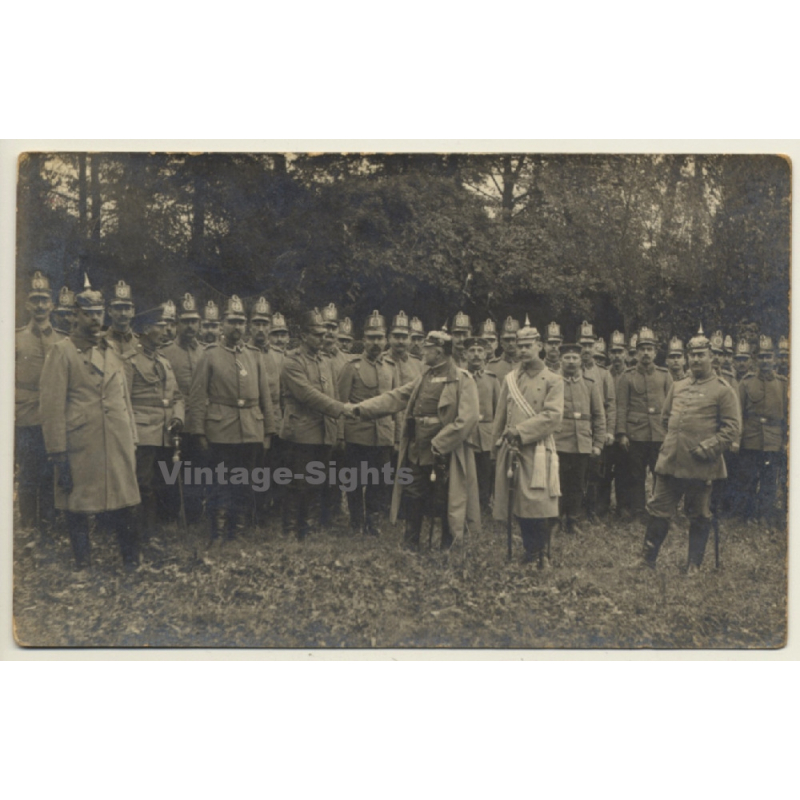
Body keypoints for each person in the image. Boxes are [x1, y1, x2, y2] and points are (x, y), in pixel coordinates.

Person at [39, 277, 141, 570]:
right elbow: (52, 405)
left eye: (99, 312)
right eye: (88, 313)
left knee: (124, 498)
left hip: (116, 439)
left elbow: (124, 398)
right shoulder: (62, 351)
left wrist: (131, 436)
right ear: (74, 316)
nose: (95, 318)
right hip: (82, 441)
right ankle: (83, 562)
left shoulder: (111, 351)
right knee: (78, 504)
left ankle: (131, 561)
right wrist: (57, 450)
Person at [353, 328, 480, 552]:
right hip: (417, 448)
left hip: (446, 452)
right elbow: (396, 397)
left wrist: (440, 444)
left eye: (427, 348)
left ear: (439, 352)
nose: (422, 351)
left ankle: (447, 546)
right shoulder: (424, 377)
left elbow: (467, 420)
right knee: (413, 493)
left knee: (445, 497)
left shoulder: (462, 379)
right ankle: (411, 542)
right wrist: (359, 409)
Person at [641, 327, 740, 574]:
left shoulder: (722, 389)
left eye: (701, 354)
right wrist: (675, 443)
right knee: (658, 510)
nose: (696, 359)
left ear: (711, 356)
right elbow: (665, 420)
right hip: (671, 461)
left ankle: (693, 565)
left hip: (701, 465)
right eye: (692, 355)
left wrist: (708, 446)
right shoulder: (678, 386)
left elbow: (732, 428)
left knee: (699, 515)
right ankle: (647, 561)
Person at [188, 295, 276, 541]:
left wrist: (268, 431)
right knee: (220, 483)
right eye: (231, 321)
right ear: (223, 324)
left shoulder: (255, 355)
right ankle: (218, 531)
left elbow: (265, 397)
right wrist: (199, 431)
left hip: (250, 429)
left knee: (245, 483)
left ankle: (237, 531)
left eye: (240, 322)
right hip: (220, 429)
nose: (236, 327)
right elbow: (197, 397)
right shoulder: (210, 354)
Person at [492, 318, 564, 568]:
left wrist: (520, 431)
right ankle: (529, 552)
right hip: (512, 450)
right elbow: (500, 415)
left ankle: (541, 553)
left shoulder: (554, 380)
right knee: (519, 505)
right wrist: (495, 449)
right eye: (518, 345)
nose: (522, 350)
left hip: (539, 449)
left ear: (540, 346)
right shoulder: (511, 379)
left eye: (527, 345)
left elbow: (552, 417)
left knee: (538, 504)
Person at [279, 308, 348, 539]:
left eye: (325, 333)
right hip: (301, 431)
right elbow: (306, 394)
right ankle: (290, 530)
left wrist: (338, 432)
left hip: (323, 432)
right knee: (297, 483)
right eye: (317, 334)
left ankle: (309, 528)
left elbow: (335, 393)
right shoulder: (291, 361)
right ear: (303, 335)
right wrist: (339, 409)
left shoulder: (325, 361)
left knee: (316, 482)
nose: (323, 338)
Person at [337, 311, 397, 536]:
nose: (376, 343)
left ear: (386, 339)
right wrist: (341, 436)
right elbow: (341, 404)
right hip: (357, 435)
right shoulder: (351, 366)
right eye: (371, 337)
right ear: (363, 339)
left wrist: (396, 436)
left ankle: (372, 521)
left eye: (380, 337)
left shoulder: (390, 367)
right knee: (354, 481)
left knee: (378, 482)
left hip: (382, 435)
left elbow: (395, 404)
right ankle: (356, 521)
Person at [128, 306, 184, 544]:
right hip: (143, 432)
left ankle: (160, 529)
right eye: (159, 326)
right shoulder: (130, 362)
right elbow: (124, 399)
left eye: (165, 325)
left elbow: (177, 396)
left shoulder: (164, 360)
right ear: (144, 329)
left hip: (165, 433)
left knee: (164, 481)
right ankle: (143, 532)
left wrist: (178, 417)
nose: (165, 330)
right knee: (144, 483)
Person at [15, 270, 64, 534]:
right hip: (24, 416)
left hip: (52, 417)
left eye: (45, 299)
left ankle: (48, 521)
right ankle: (27, 523)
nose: (40, 306)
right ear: (27, 304)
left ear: (53, 304)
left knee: (50, 473)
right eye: (35, 300)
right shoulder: (15, 338)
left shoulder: (61, 340)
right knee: (27, 473)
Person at [615, 326, 672, 521]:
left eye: (649, 349)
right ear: (636, 352)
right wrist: (622, 433)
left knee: (660, 474)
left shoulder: (665, 376)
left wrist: (670, 433)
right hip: (636, 433)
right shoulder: (627, 376)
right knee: (636, 475)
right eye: (642, 349)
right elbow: (621, 406)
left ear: (655, 352)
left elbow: (671, 407)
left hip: (659, 433)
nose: (646, 353)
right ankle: (638, 510)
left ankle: (658, 510)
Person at [554, 341, 605, 536]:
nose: (571, 362)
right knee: (557, 483)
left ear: (580, 360)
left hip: (582, 443)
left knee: (577, 484)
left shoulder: (590, 385)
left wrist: (598, 444)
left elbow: (599, 415)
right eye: (567, 358)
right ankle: (556, 520)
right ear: (561, 360)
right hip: (558, 441)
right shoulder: (553, 382)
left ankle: (572, 520)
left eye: (575, 358)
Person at [737, 335, 788, 529]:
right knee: (749, 478)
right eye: (761, 357)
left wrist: (785, 441)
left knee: (769, 480)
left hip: (773, 440)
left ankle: (765, 515)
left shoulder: (783, 384)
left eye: (768, 357)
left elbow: (787, 416)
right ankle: (748, 515)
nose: (765, 361)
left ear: (774, 359)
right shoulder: (746, 383)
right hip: (751, 438)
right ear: (755, 359)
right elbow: (739, 413)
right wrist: (738, 439)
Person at [579, 321, 615, 523]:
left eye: (589, 345)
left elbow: (611, 404)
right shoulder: (569, 370)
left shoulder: (603, 373)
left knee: (597, 473)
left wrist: (608, 431)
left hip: (596, 429)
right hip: (577, 430)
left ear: (595, 347)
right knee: (578, 473)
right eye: (583, 345)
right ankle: (576, 509)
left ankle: (594, 511)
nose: (586, 349)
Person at [463, 335, 500, 511]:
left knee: (485, 472)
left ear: (486, 354)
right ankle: (467, 505)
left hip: (486, 433)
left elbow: (498, 410)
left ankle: (484, 505)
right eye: (472, 351)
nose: (476, 355)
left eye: (480, 351)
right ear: (465, 354)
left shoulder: (492, 380)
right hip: (466, 433)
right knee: (466, 472)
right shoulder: (459, 377)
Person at [603, 330, 632, 519]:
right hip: (606, 430)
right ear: (609, 354)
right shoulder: (604, 374)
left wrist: (624, 432)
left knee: (624, 471)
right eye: (613, 352)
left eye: (620, 352)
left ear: (626, 354)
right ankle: (602, 506)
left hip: (625, 431)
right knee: (604, 471)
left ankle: (623, 506)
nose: (616, 356)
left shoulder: (631, 375)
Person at [103, 279, 139, 385]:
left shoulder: (140, 344)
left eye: (127, 308)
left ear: (133, 312)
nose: (123, 313)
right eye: (118, 309)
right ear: (109, 311)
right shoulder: (100, 342)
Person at [488, 316, 520, 383]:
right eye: (507, 340)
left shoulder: (527, 364)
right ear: (501, 342)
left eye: (513, 340)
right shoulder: (491, 367)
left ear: (519, 341)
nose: (510, 343)